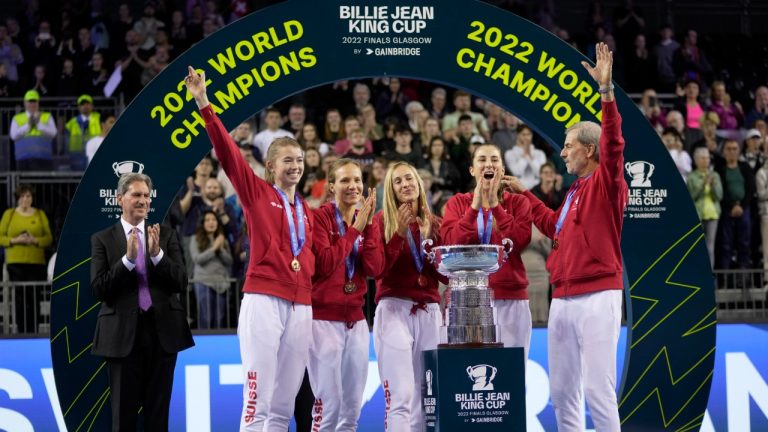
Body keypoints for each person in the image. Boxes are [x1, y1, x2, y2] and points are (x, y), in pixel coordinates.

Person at [185, 66, 315, 431]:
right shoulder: (257, 192)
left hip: (301, 305)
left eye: (300, 160)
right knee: (257, 402)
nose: (295, 165)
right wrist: (203, 103)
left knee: (283, 405)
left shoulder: (306, 209)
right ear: (271, 166)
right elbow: (227, 154)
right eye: (288, 159)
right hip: (264, 300)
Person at [506, 43, 627, 431]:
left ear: (589, 150)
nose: (562, 153)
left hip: (597, 295)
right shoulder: (575, 191)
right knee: (562, 392)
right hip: (563, 297)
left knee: (598, 390)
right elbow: (555, 224)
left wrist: (606, 94)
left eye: (569, 145)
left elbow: (614, 145)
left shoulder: (607, 183)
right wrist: (525, 194)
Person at [90, 172, 194, 430]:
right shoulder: (102, 239)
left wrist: (158, 255)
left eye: (146, 196)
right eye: (136, 195)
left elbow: (181, 282)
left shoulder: (165, 236)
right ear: (119, 199)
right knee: (123, 419)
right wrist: (127, 260)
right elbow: (99, 289)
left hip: (163, 335)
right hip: (122, 338)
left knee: (158, 418)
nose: (143, 200)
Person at [363, 161, 446, 432]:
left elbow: (446, 276)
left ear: (418, 183)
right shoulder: (380, 222)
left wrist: (428, 241)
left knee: (429, 396)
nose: (405, 184)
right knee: (400, 396)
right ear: (391, 189)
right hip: (394, 308)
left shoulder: (434, 223)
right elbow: (378, 269)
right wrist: (398, 233)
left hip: (430, 311)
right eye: (397, 181)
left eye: (409, 178)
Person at [442, 144, 533, 357]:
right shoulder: (457, 203)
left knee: (513, 375)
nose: (488, 164)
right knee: (471, 372)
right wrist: (474, 208)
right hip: (467, 301)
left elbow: (520, 241)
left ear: (501, 169)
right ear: (472, 170)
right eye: (482, 159)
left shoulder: (519, 203)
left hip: (511, 298)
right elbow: (452, 244)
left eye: (494, 159)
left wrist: (495, 206)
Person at [309, 159, 378, 431]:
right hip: (324, 320)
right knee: (328, 407)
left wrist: (369, 226)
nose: (353, 186)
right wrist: (356, 230)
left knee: (351, 410)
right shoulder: (320, 218)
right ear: (331, 187)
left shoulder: (363, 220)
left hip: (358, 322)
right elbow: (325, 263)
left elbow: (373, 268)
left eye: (357, 180)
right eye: (345, 181)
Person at [0, 185, 53, 334]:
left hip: (36, 263)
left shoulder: (39, 214)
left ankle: (34, 331)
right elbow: (1, 237)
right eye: (22, 196)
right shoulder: (9, 214)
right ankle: (21, 331)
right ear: (17, 198)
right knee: (19, 299)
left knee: (34, 298)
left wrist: (35, 241)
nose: (25, 199)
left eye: (28, 196)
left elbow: (48, 238)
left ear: (32, 198)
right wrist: (14, 240)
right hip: (15, 263)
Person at [189, 210, 233, 329]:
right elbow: (197, 259)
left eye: (213, 220)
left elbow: (229, 261)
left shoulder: (222, 239)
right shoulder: (195, 238)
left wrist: (220, 249)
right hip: (203, 282)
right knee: (206, 318)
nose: (211, 222)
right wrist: (214, 249)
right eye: (207, 220)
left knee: (220, 318)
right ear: (202, 223)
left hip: (221, 284)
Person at [687, 148, 722, 269]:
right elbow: (692, 196)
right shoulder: (692, 177)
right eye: (702, 158)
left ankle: (710, 274)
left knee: (710, 247)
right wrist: (703, 185)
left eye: (707, 158)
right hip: (698, 215)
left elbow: (719, 196)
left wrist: (713, 186)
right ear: (696, 160)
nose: (705, 160)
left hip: (713, 214)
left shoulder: (715, 175)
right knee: (698, 247)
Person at [9, 89, 57, 171]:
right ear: (24, 103)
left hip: (43, 158)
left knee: (43, 183)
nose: (32, 104)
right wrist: (28, 125)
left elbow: (53, 133)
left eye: (34, 101)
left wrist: (39, 124)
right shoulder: (17, 118)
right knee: (25, 183)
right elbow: (13, 136)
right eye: (30, 101)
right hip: (23, 159)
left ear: (38, 102)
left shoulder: (47, 116)